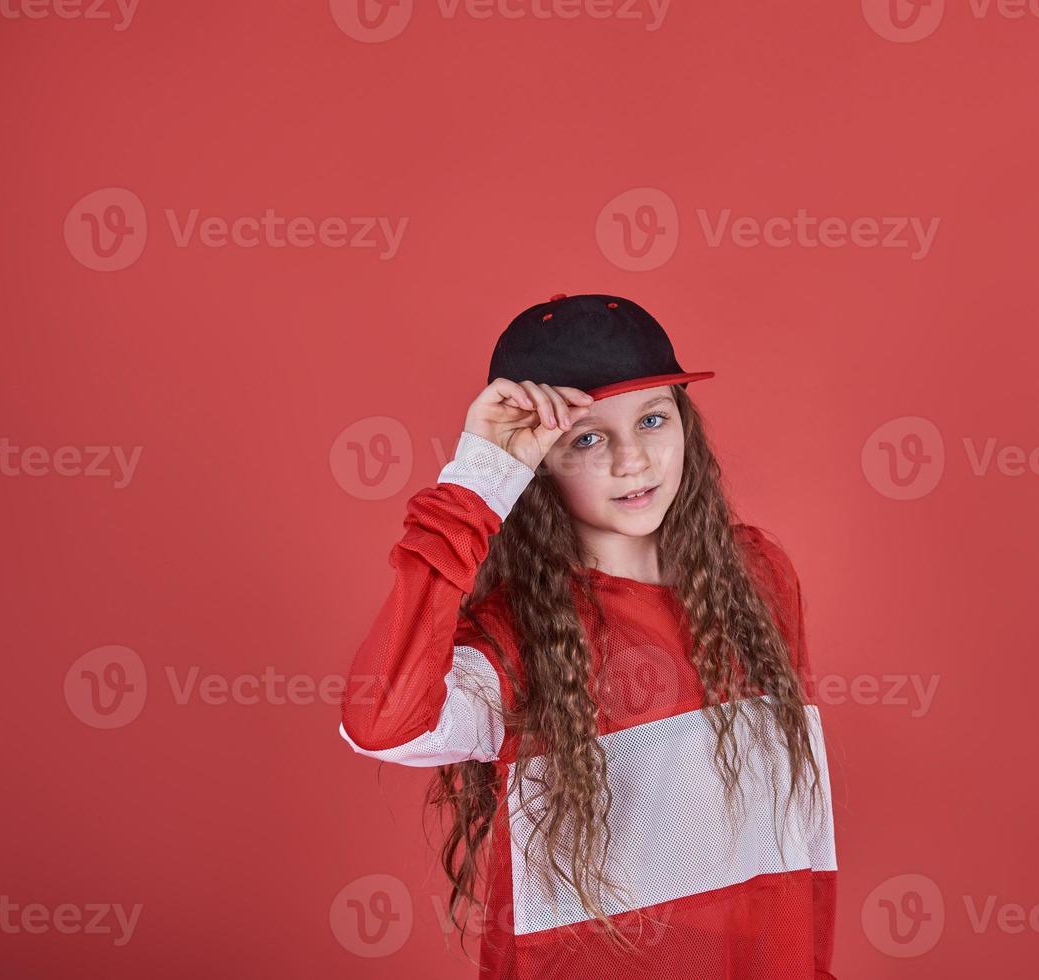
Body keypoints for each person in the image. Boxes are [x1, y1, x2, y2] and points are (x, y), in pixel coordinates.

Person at [338, 293, 839, 979]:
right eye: (588, 438)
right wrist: (478, 482)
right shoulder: (516, 637)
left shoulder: (757, 575)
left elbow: (788, 835)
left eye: (653, 419)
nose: (634, 460)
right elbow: (383, 722)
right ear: (537, 460)